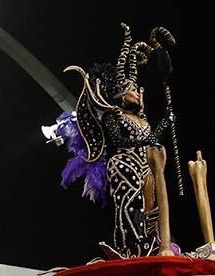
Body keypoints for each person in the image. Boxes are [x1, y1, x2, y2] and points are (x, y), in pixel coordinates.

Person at [58, 23, 174, 258]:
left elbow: (150, 142)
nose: (138, 93)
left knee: (153, 207)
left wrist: (162, 125)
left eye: (139, 90)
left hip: (146, 166)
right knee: (130, 208)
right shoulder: (113, 116)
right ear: (122, 93)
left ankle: (152, 244)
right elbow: (121, 141)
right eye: (133, 89)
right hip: (123, 165)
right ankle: (129, 246)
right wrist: (164, 124)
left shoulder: (143, 119)